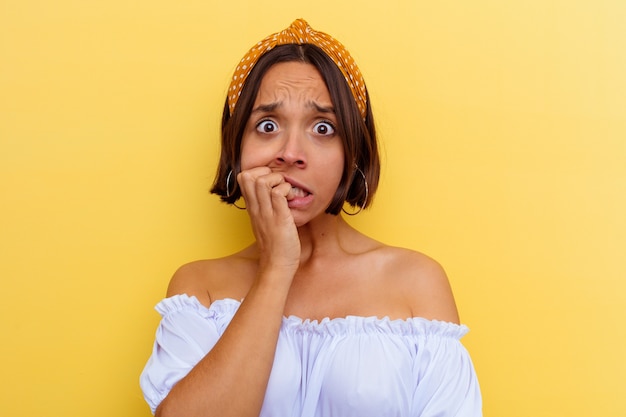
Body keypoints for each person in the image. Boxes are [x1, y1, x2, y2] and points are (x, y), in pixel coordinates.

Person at [140, 18, 482, 417]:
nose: (290, 153)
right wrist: (276, 267)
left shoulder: (415, 283)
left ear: (353, 152)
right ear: (236, 150)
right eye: (267, 125)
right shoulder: (200, 289)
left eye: (323, 128)